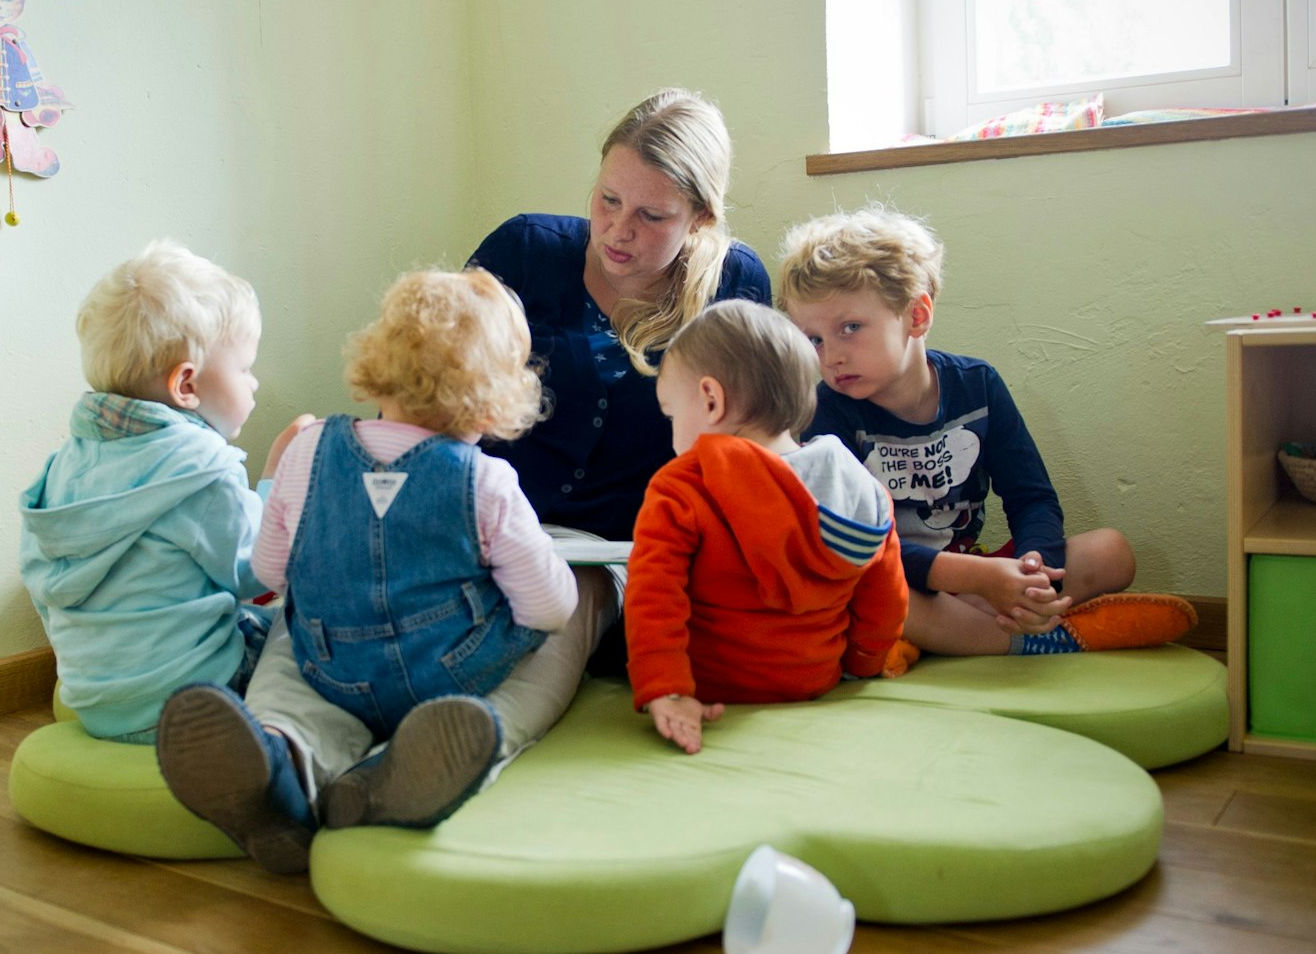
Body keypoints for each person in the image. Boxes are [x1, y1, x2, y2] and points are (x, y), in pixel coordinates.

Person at [155, 268, 578, 873]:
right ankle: (386, 778)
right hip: (449, 676)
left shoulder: (307, 451)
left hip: (335, 668)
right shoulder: (486, 483)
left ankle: (285, 762)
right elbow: (548, 608)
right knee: (562, 631)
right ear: (493, 396)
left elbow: (271, 569)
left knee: (286, 635)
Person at [778, 208, 1195, 657]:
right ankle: (1040, 639)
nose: (831, 356)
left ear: (916, 317)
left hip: (973, 577)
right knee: (865, 591)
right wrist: (977, 580)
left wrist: (1036, 571)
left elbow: (1031, 497)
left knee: (1112, 552)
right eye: (814, 338)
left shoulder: (977, 385)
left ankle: (979, 627)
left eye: (850, 328)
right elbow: (851, 545)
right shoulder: (824, 413)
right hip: (895, 576)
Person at [466, 88, 773, 677]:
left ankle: (478, 732)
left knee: (564, 611)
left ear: (700, 218)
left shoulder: (734, 287)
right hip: (491, 524)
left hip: (617, 555)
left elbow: (752, 451)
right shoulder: (524, 250)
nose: (616, 229)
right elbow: (436, 387)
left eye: (650, 216)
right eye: (608, 199)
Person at [18, 240, 301, 746]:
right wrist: (276, 476)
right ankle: (288, 748)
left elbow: (44, 585)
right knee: (301, 636)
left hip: (98, 702)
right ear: (186, 386)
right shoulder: (203, 469)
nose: (254, 384)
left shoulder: (63, 466)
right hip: (197, 701)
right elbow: (259, 574)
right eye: (244, 368)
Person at [625, 300, 909, 754]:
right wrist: (865, 662)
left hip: (711, 684)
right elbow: (886, 596)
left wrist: (667, 688)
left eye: (672, 414)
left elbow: (654, 595)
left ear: (711, 400)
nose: (672, 431)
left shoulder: (683, 484)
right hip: (815, 679)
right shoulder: (861, 486)